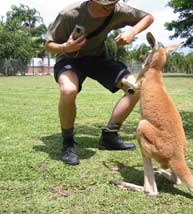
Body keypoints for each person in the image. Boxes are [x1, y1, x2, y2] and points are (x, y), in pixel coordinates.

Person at [45, 0, 153, 165]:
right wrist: (66, 47)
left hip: (97, 59)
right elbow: (48, 45)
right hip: (69, 59)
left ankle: (110, 136)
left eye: (111, 4)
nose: (109, 8)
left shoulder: (118, 9)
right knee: (68, 90)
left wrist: (132, 32)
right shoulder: (69, 14)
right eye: (104, 5)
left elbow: (148, 17)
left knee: (136, 88)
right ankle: (67, 143)